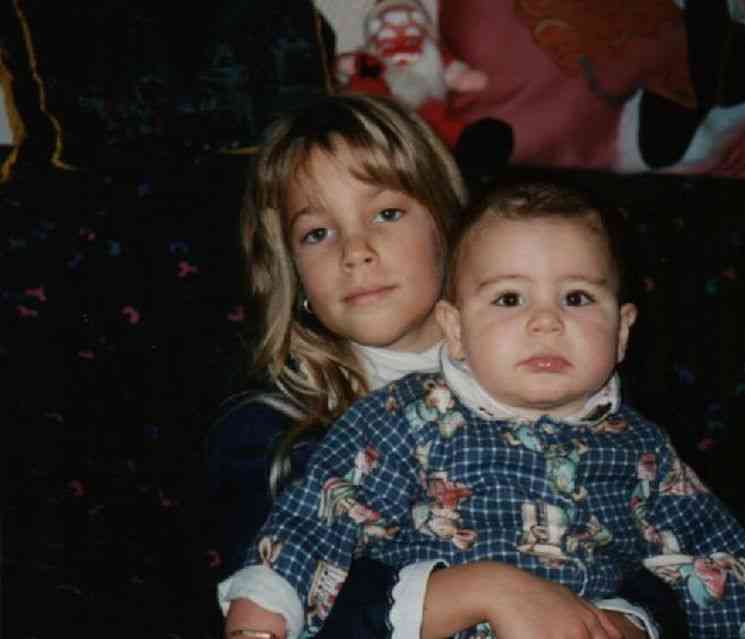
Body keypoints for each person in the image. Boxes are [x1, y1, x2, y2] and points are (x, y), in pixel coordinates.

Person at [211, 93, 672, 639]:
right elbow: (273, 591)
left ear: (448, 228)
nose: (355, 251)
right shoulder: (267, 431)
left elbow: (667, 544)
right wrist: (484, 591)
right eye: (317, 233)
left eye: (387, 213)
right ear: (295, 272)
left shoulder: (559, 369)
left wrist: (623, 621)